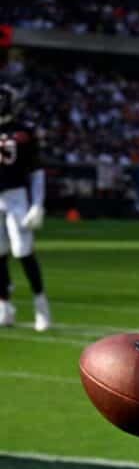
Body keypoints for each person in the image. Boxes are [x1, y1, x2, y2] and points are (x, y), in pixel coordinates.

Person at [0, 83, 50, 332]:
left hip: (16, 196)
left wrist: (37, 203)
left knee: (23, 252)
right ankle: (4, 307)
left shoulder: (24, 132)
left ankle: (41, 307)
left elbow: (36, 170)